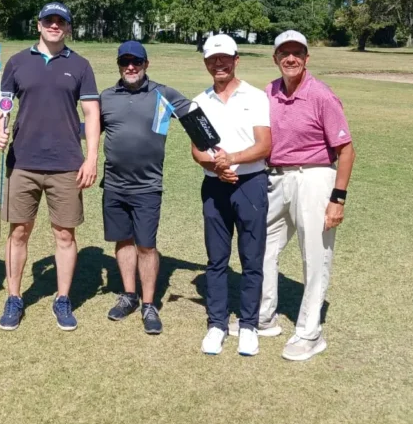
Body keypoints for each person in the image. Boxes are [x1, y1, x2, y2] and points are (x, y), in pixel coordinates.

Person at [251, 29, 356, 361]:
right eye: (284, 53)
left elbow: (346, 150)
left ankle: (310, 333)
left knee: (314, 254)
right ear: (275, 58)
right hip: (276, 177)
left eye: (297, 53)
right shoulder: (268, 92)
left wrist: (337, 199)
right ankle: (264, 317)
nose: (291, 58)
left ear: (307, 58)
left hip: (314, 177)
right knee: (261, 248)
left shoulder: (321, 95)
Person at [0, 2, 100, 332]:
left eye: (60, 21)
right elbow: (3, 101)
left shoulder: (80, 65)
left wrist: (91, 157)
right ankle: (14, 298)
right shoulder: (17, 61)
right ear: (38, 25)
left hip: (66, 163)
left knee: (65, 234)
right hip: (22, 162)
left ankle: (63, 298)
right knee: (19, 231)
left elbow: (92, 114)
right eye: (49, 21)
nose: (55, 25)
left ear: (67, 28)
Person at [98, 41, 190, 335]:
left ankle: (149, 304)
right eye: (125, 62)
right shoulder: (106, 97)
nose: (130, 67)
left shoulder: (163, 94)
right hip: (114, 185)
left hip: (148, 186)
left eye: (136, 62)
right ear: (118, 65)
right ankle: (129, 296)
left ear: (146, 64)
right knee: (123, 241)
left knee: (146, 246)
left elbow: (197, 116)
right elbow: (87, 130)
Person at [190, 34, 272, 357]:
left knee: (251, 258)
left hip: (251, 184)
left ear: (236, 60)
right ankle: (217, 324)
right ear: (206, 63)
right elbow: (197, 151)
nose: (219, 64)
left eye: (224, 58)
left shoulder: (256, 97)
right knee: (216, 259)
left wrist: (232, 159)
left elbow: (264, 145)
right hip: (215, 185)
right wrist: (217, 167)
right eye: (212, 59)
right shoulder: (199, 102)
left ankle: (249, 325)